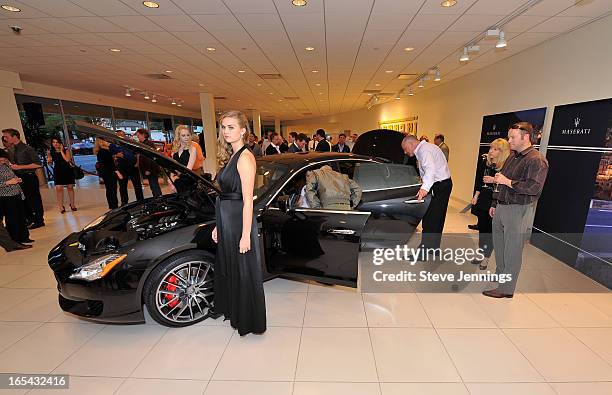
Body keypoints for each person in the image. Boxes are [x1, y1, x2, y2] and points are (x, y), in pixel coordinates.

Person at [212, 110, 266, 336]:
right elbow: (226, 194)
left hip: (238, 221)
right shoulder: (232, 155)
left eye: (231, 127)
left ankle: (249, 320)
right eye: (223, 127)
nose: (226, 131)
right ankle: (236, 312)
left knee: (243, 270)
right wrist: (218, 225)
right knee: (232, 268)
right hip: (227, 220)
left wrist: (246, 235)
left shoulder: (245, 157)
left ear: (243, 130)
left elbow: (247, 202)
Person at [484, 122, 548, 298]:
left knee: (512, 249)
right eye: (509, 136)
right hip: (502, 206)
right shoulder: (513, 156)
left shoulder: (536, 160)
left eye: (512, 137)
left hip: (518, 209)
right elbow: (501, 181)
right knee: (500, 245)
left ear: (525, 137)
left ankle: (506, 289)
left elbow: (534, 188)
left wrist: (508, 182)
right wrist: (495, 203)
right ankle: (500, 274)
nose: (509, 140)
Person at [402, 134, 452, 257]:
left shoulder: (424, 151)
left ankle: (423, 253)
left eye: (405, 148)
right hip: (444, 184)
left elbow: (430, 170)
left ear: (411, 144)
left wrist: (424, 189)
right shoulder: (427, 148)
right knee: (438, 219)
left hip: (439, 186)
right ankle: (433, 249)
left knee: (430, 219)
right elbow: (428, 170)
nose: (405, 152)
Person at [471, 138, 510, 270]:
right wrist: (476, 196)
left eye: (495, 149)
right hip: (483, 199)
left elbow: (508, 185)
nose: (491, 151)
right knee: (482, 229)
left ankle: (486, 257)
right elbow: (479, 181)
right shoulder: (486, 163)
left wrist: (493, 180)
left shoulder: (506, 166)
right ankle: (481, 253)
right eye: (491, 148)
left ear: (502, 152)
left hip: (495, 201)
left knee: (491, 231)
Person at [2, 128, 44, 229]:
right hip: (18, 178)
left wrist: (20, 167)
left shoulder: (27, 148)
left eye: (6, 137)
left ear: (14, 136)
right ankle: (30, 219)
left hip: (29, 177)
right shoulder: (11, 150)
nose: (5, 139)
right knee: (24, 200)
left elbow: (38, 164)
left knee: (34, 199)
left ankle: (39, 220)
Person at [0, 149, 31, 244]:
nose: (3, 161)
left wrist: (17, 179)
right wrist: (8, 182)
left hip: (16, 193)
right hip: (6, 196)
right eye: (1, 159)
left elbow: (11, 176)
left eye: (4, 159)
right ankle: (15, 239)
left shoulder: (5, 166)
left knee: (21, 216)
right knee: (12, 219)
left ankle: (24, 237)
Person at [110, 130, 144, 206]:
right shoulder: (112, 145)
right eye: (120, 135)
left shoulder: (130, 143)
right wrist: (116, 156)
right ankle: (124, 203)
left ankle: (141, 201)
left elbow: (137, 154)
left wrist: (137, 163)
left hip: (133, 167)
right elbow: (109, 157)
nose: (122, 136)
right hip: (121, 168)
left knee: (137, 185)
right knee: (123, 186)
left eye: (123, 135)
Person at [47, 137, 76, 213]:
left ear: (60, 143)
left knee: (70, 187)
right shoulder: (51, 151)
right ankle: (61, 206)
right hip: (58, 171)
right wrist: (49, 160)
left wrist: (61, 151)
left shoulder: (66, 150)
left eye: (57, 142)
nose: (55, 144)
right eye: (54, 142)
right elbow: (50, 163)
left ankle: (72, 205)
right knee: (59, 188)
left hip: (67, 170)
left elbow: (67, 160)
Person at [136, 129, 162, 198]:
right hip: (150, 169)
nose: (138, 137)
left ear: (143, 135)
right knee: (153, 186)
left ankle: (158, 199)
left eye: (138, 135)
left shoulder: (148, 144)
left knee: (154, 186)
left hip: (151, 169)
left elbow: (150, 158)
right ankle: (157, 198)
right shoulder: (145, 143)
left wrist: (148, 169)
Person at [94, 138, 119, 209]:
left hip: (106, 173)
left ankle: (112, 205)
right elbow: (110, 164)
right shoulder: (104, 151)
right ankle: (114, 206)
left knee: (109, 189)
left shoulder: (100, 151)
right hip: (109, 172)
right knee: (112, 189)